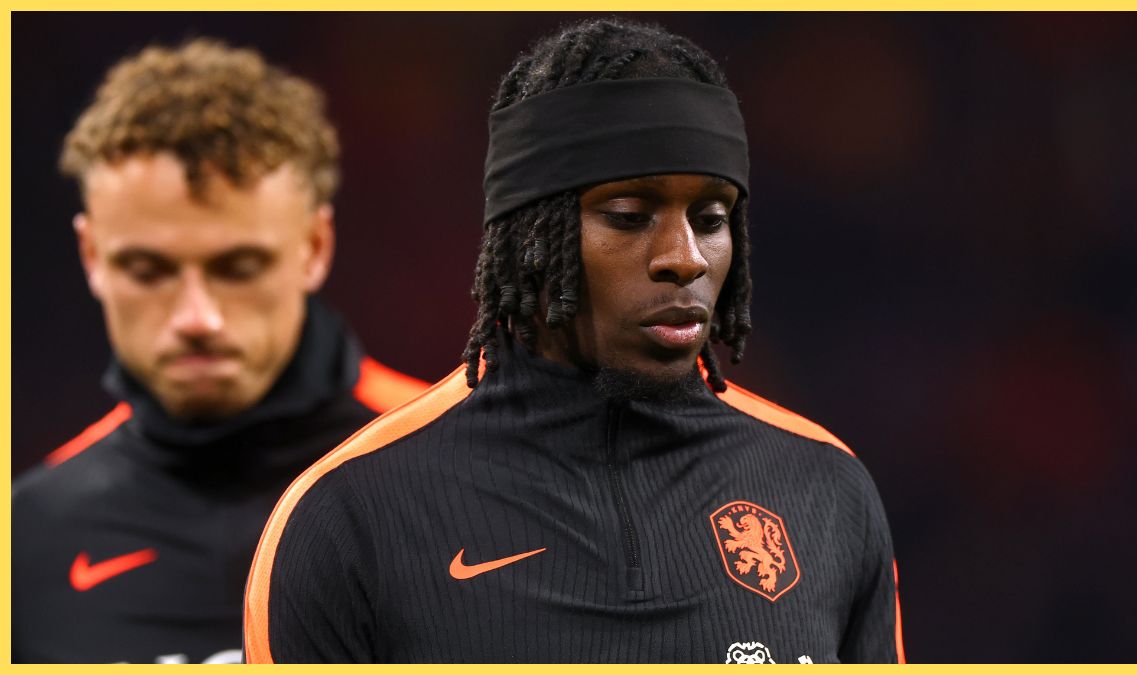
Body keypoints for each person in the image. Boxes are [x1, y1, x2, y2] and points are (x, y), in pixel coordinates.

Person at [244, 19, 904, 664]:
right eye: (629, 216)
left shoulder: (826, 490)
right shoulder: (349, 516)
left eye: (710, 219)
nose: (684, 257)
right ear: (530, 235)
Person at [12, 39, 428, 663]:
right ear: (91, 255)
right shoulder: (26, 536)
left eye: (239, 267)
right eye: (148, 270)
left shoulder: (468, 470)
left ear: (315, 246)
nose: (197, 319)